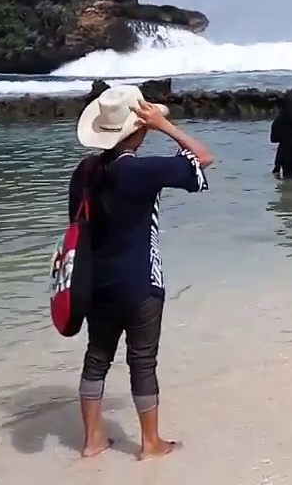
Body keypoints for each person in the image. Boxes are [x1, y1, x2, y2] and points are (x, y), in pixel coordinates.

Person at [68, 84, 214, 460]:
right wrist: (167, 125)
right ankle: (150, 444)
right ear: (139, 129)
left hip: (96, 282)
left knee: (96, 358)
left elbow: (76, 226)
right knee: (143, 361)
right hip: (140, 283)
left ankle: (92, 442)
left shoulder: (84, 173)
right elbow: (203, 157)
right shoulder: (142, 171)